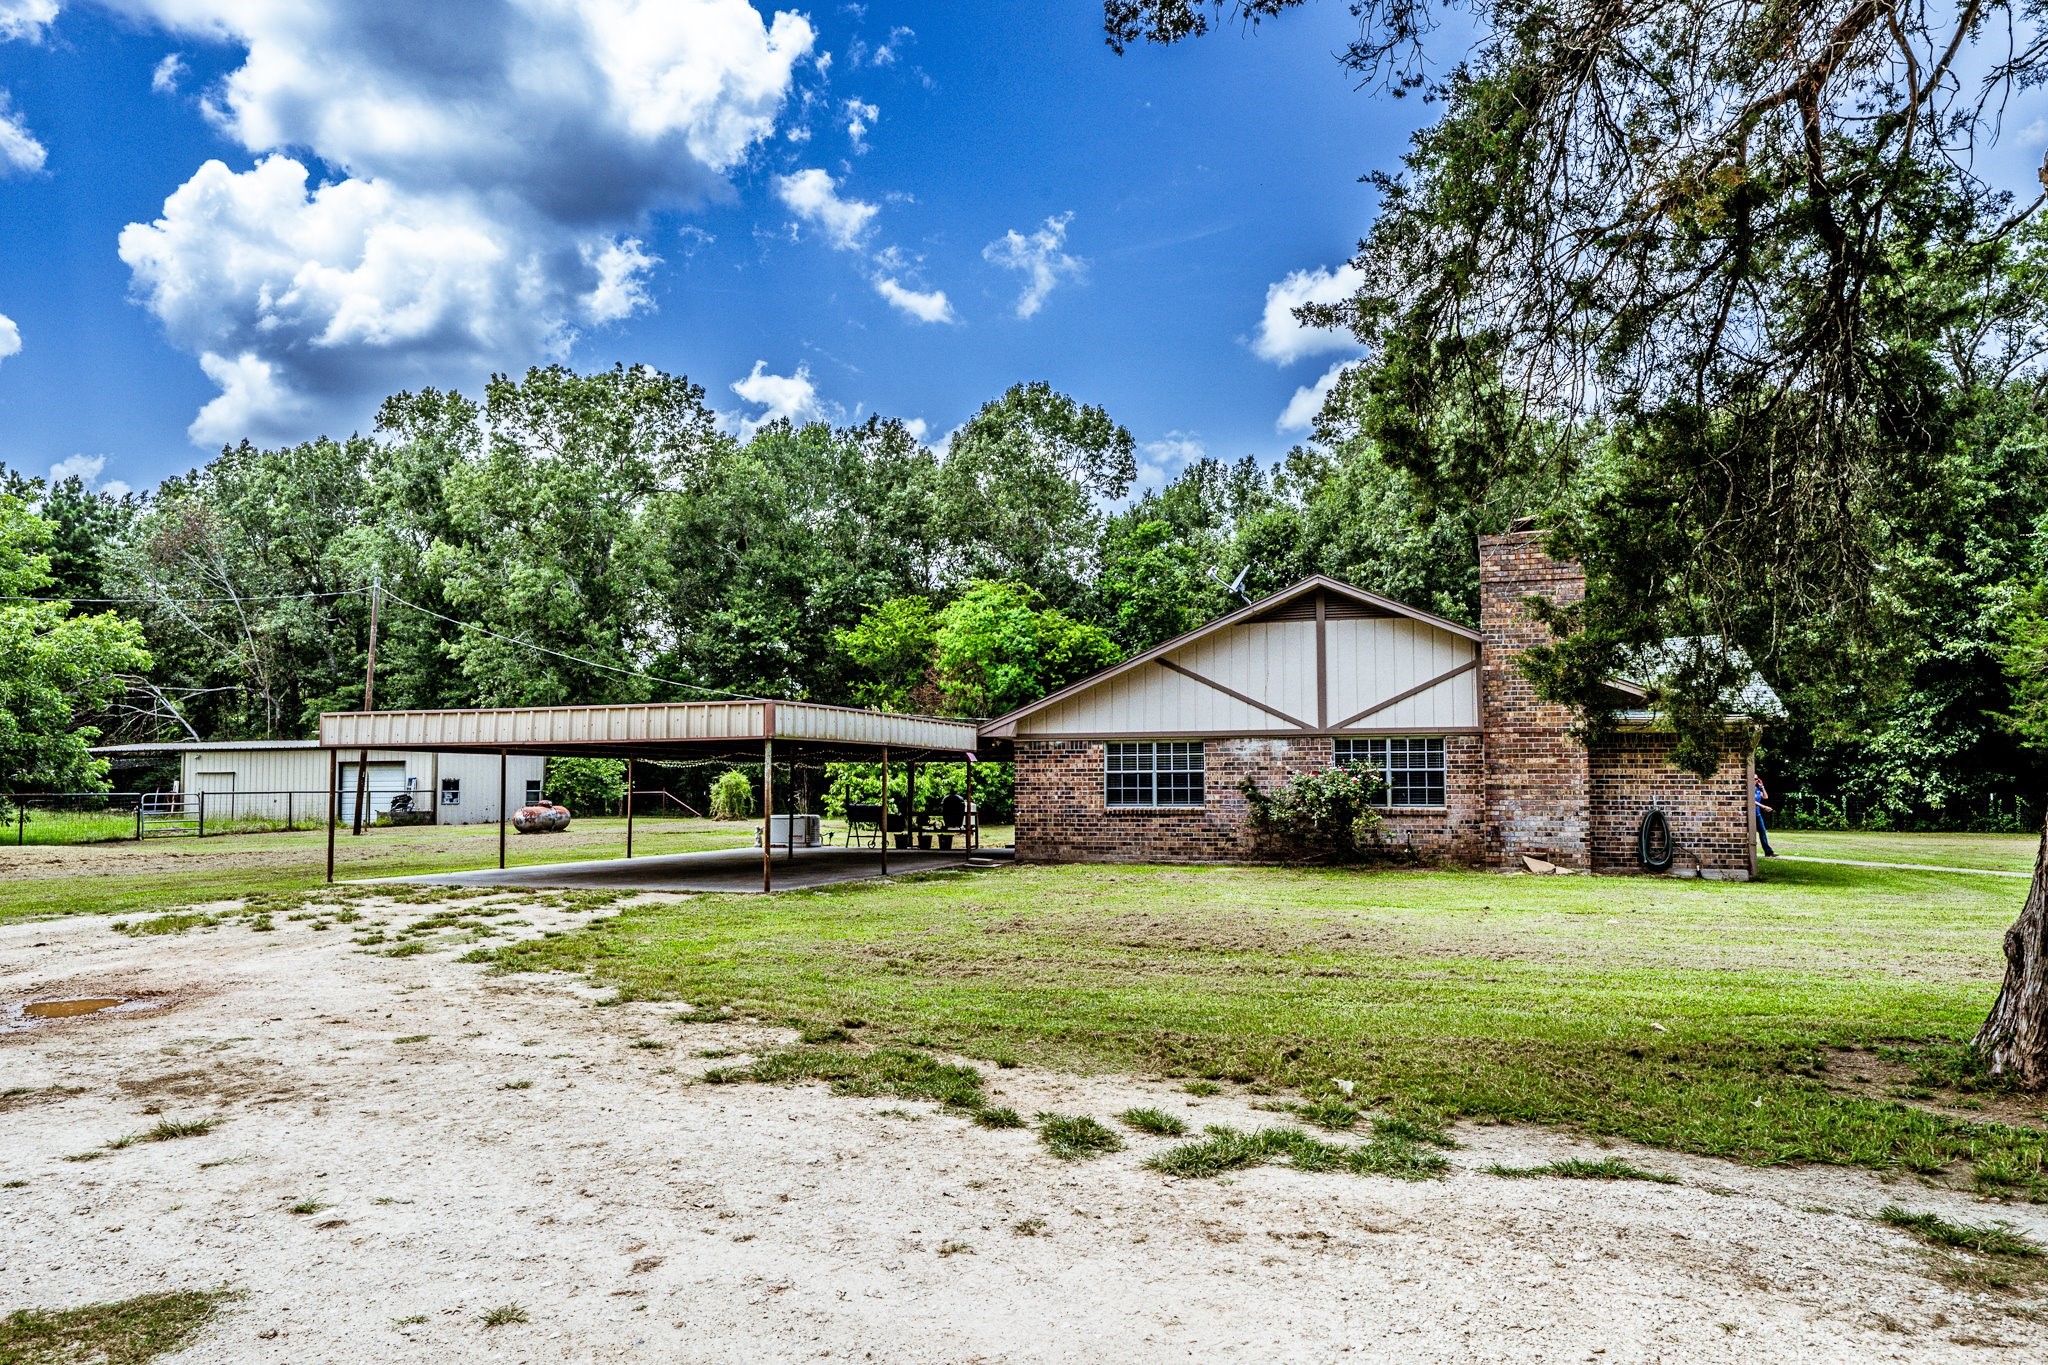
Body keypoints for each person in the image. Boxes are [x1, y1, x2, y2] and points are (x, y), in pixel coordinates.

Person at [1753, 774, 1777, 858]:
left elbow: (1766, 797)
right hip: (1751, 815)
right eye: (1753, 779)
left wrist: (1762, 787)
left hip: (1757, 814)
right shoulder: (1748, 789)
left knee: (1762, 832)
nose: (1755, 780)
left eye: (1756, 779)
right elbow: (1752, 801)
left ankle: (1768, 852)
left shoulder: (1757, 789)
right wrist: (1764, 807)